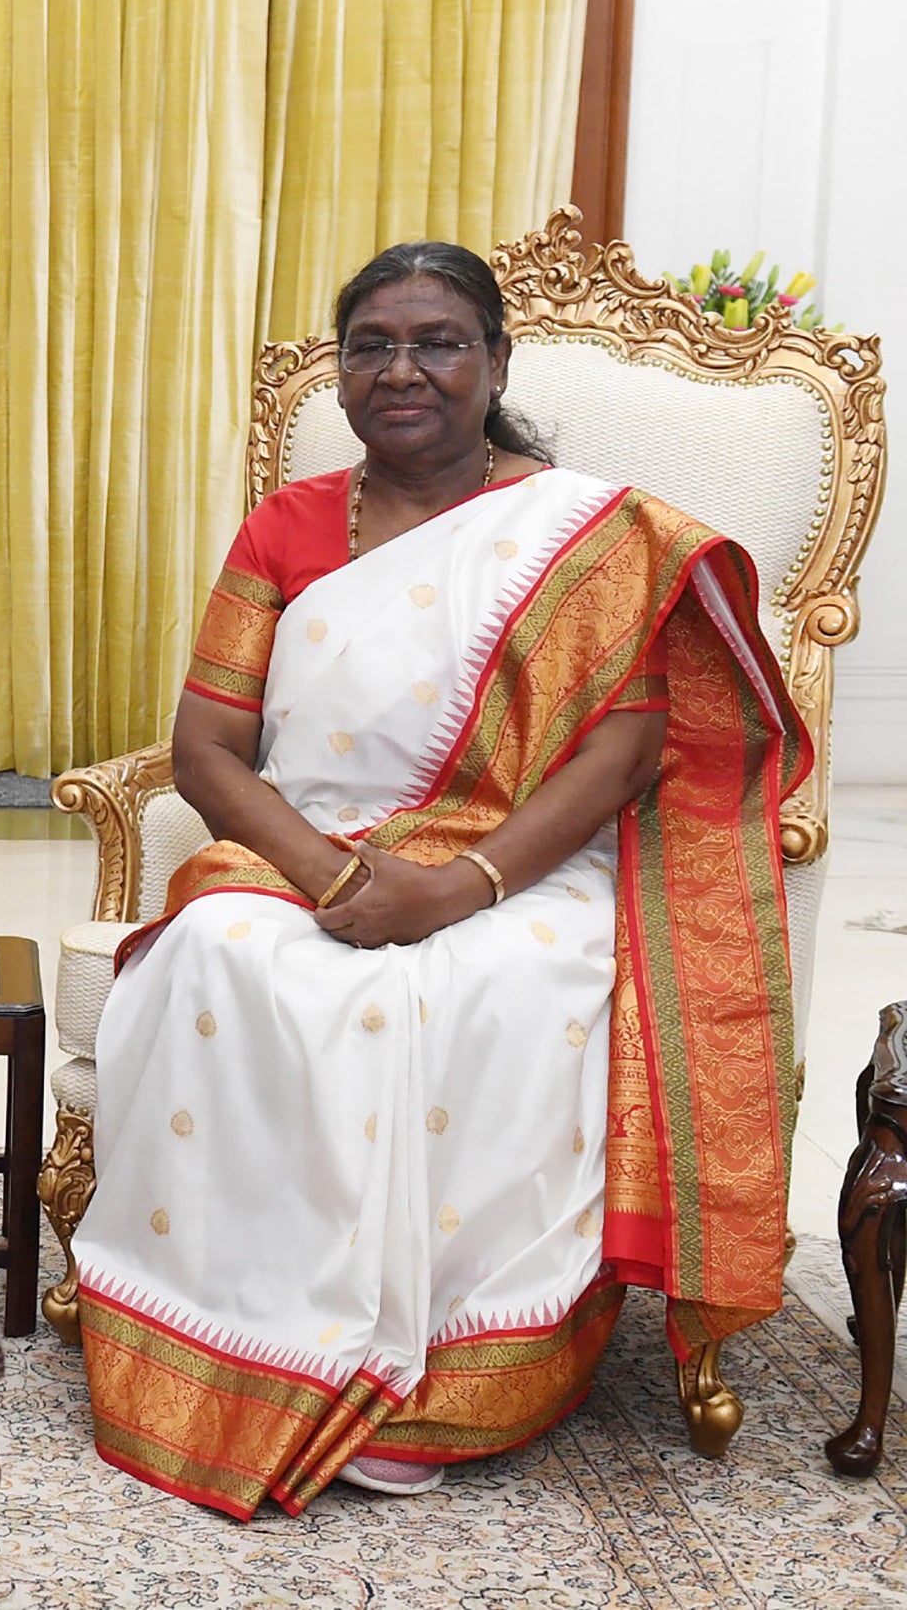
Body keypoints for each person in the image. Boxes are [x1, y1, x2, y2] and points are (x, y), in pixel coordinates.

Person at [71, 242, 806, 1517]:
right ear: (342, 373)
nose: (400, 368)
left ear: (494, 363)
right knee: (221, 954)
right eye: (370, 346)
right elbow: (205, 747)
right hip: (310, 845)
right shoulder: (288, 525)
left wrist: (457, 887)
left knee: (495, 987)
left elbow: (628, 748)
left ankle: (446, 1372)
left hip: (523, 859)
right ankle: (247, 1338)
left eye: (437, 341)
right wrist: (328, 872)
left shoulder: (586, 535)